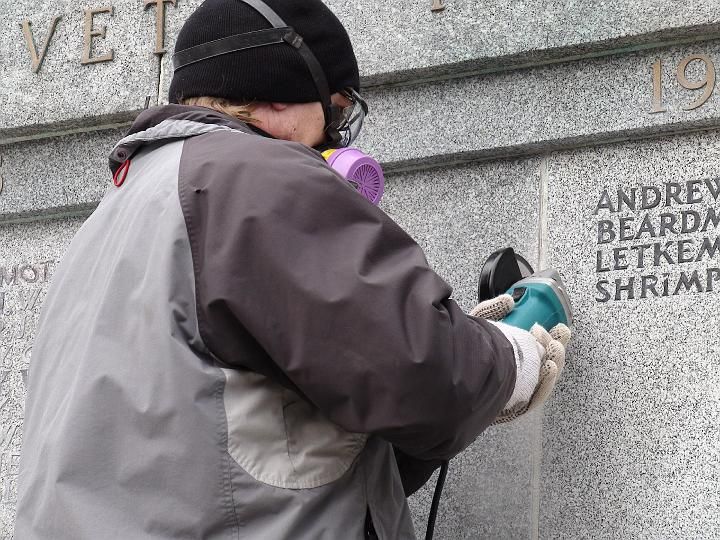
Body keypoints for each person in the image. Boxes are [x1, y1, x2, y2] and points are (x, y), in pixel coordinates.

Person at [14, 0, 569, 538]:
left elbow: (253, 452)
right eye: (338, 111)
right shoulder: (256, 177)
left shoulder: (116, 215)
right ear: (281, 99)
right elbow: (425, 372)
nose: (335, 140)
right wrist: (512, 353)